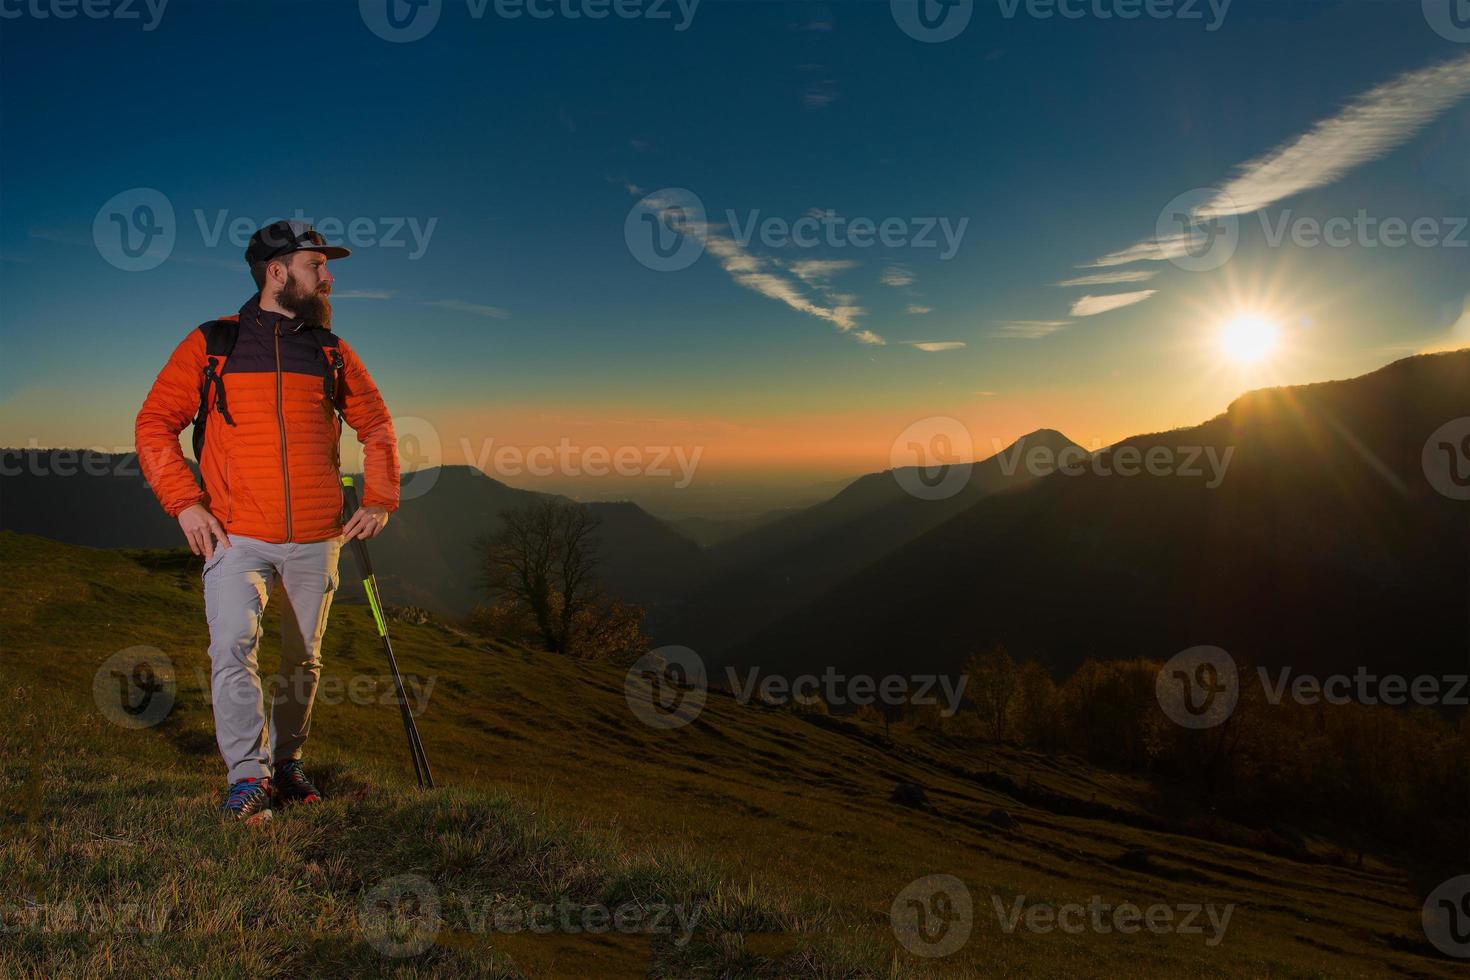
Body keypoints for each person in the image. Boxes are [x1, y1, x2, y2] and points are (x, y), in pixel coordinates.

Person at [134, 219, 400, 825]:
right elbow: (154, 424)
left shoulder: (330, 350)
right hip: (235, 532)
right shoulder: (213, 343)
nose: (328, 276)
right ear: (278, 272)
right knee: (232, 648)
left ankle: (286, 765)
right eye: (317, 266)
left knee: (303, 660)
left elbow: (377, 425)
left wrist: (381, 498)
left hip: (317, 535)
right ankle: (247, 778)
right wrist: (185, 501)